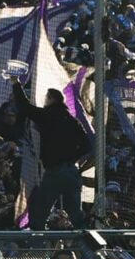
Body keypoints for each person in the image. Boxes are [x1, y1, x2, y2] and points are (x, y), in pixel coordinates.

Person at [12, 82, 92, 230]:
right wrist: (71, 159)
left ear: (50, 99)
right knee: (75, 213)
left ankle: (37, 245)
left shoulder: (47, 116)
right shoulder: (73, 121)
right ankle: (88, 243)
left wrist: (16, 84)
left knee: (40, 211)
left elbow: (25, 106)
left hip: (55, 172)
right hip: (71, 172)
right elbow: (88, 145)